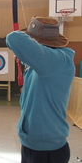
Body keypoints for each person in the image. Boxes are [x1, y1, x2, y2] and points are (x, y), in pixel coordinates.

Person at [6, 16, 75, 163]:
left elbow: (14, 38)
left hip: (47, 151)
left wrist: (28, 39)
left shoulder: (56, 61)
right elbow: (42, 66)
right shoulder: (50, 64)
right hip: (33, 145)